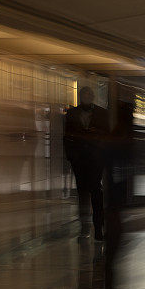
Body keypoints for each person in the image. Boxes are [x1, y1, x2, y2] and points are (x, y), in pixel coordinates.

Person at [64, 86, 109, 240]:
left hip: (95, 159)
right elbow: (67, 137)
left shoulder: (102, 114)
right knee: (83, 193)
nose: (87, 96)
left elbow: (106, 136)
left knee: (95, 192)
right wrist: (71, 157)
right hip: (80, 160)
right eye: (84, 94)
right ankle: (85, 227)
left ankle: (97, 227)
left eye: (89, 94)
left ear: (93, 96)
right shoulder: (71, 114)